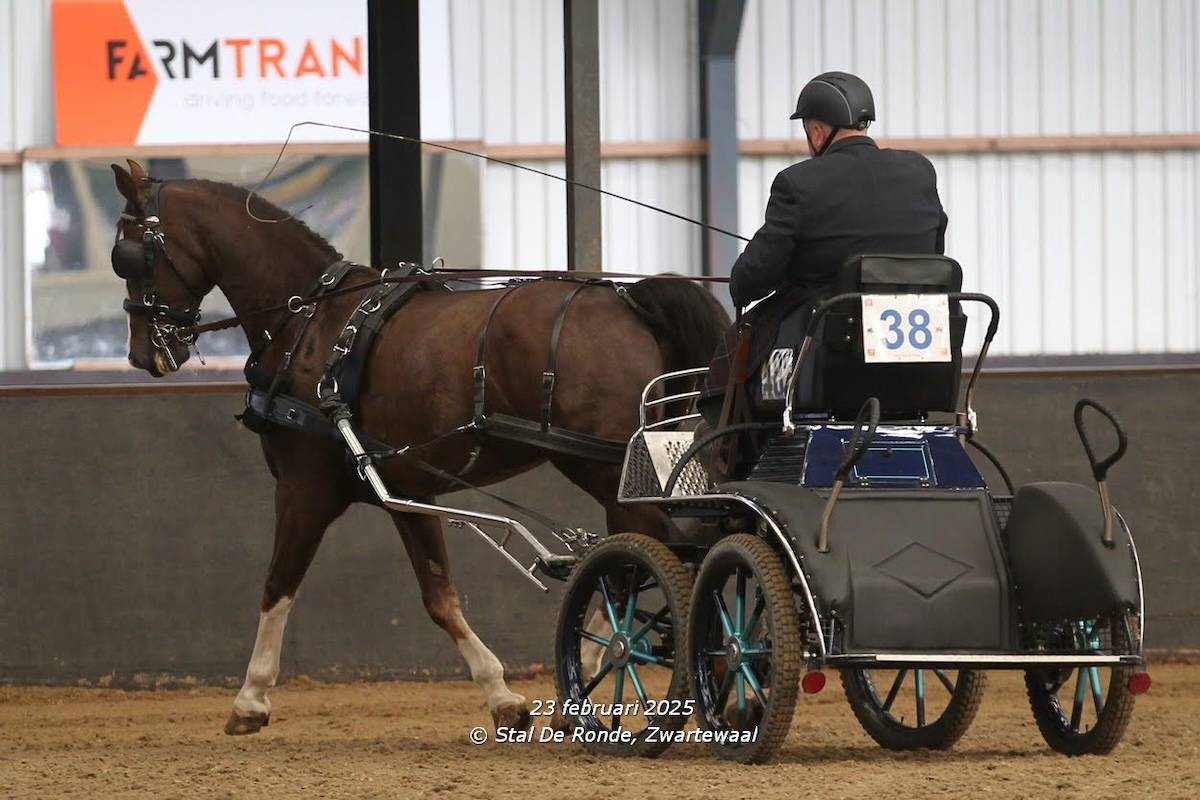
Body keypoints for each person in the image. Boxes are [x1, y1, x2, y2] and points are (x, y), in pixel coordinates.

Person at [729, 71, 948, 307]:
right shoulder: (920, 170)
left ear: (817, 133)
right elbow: (935, 250)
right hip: (922, 316)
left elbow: (754, 278)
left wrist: (741, 283)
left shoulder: (797, 182)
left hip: (829, 322)